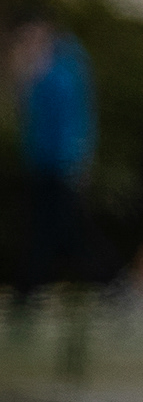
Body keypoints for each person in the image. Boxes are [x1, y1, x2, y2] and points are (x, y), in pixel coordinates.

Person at [13, 16, 97, 302]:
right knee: (48, 229)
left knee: (65, 229)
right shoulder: (48, 65)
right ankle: (30, 289)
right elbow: (29, 116)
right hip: (43, 163)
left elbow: (74, 119)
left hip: (61, 163)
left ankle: (107, 280)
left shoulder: (63, 67)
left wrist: (77, 161)